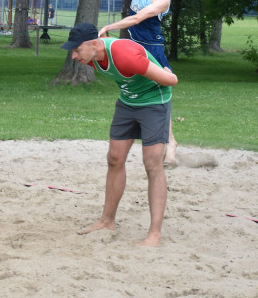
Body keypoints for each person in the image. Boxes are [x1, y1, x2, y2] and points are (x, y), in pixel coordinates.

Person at [62, 22, 178, 247]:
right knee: (114, 158)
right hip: (128, 102)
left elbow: (171, 81)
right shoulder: (94, 57)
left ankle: (154, 233)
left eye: (77, 50)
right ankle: (107, 221)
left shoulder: (125, 55)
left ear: (93, 44)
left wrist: (166, 72)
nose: (74, 56)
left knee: (152, 163)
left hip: (155, 101)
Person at [98, 0, 199, 164]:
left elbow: (138, 17)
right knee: (151, 94)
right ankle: (169, 142)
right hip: (135, 44)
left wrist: (109, 27)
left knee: (161, 94)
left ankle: (170, 144)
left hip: (151, 49)